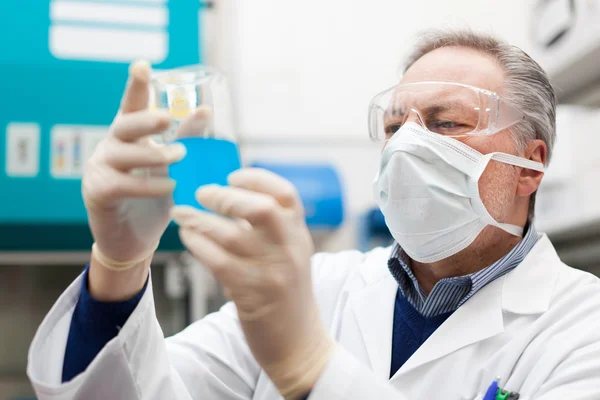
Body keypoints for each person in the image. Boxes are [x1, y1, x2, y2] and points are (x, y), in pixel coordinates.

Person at [28, 29, 600, 400]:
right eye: (396, 126)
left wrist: (310, 367)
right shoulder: (316, 289)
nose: (409, 146)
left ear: (530, 164)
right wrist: (119, 266)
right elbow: (130, 392)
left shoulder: (581, 329)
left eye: (447, 123)